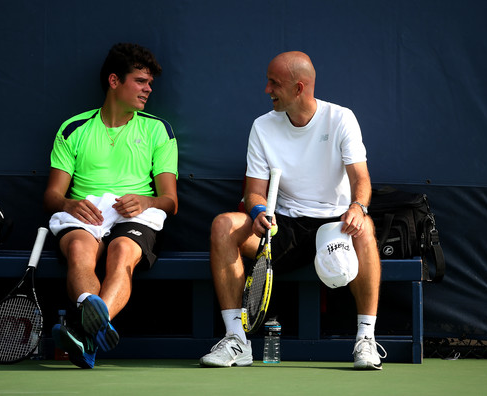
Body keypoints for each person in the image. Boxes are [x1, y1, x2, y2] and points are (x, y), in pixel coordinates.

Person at [199, 51, 386, 370]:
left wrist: (358, 206)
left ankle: (365, 339)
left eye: (274, 83)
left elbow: (361, 178)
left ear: (299, 88)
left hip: (333, 229)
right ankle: (236, 340)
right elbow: (254, 190)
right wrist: (258, 210)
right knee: (222, 226)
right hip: (280, 229)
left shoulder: (341, 118)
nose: (267, 90)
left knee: (364, 226)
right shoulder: (262, 126)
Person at [44, 43, 178, 369]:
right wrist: (68, 203)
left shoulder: (158, 129)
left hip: (136, 213)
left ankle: (82, 331)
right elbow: (51, 195)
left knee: (121, 252)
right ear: (115, 81)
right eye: (140, 81)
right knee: (78, 249)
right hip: (86, 211)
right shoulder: (73, 128)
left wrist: (145, 200)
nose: (148, 90)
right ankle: (91, 332)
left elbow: (170, 200)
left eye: (150, 84)